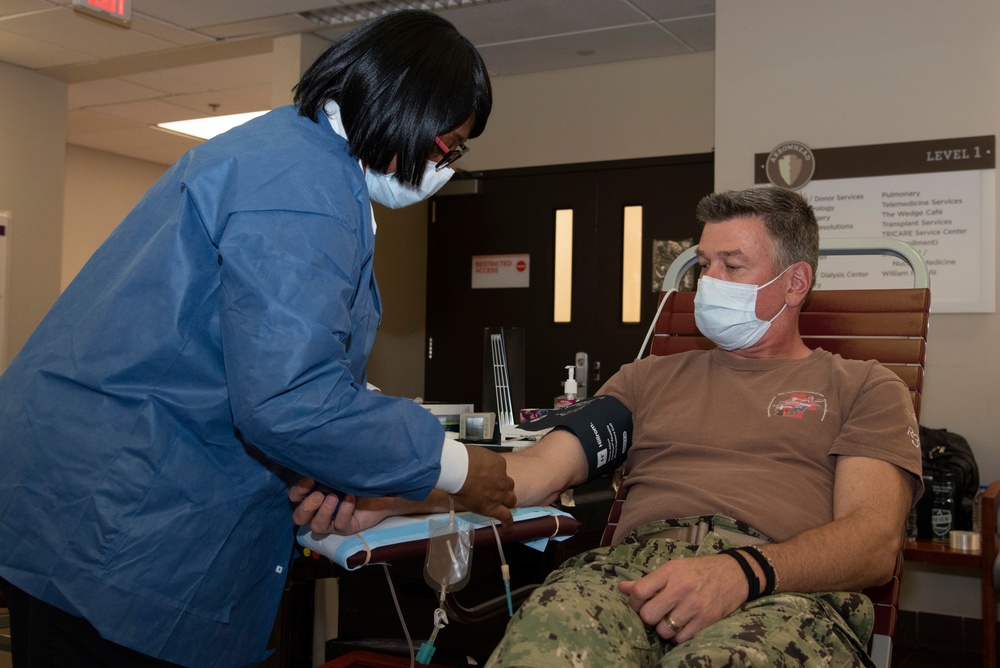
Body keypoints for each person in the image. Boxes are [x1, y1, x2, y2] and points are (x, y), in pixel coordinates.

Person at [0, 10, 516, 668]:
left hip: (88, 492)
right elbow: (291, 398)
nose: (447, 165)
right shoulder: (302, 189)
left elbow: (275, 349)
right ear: (401, 110)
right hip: (114, 517)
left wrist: (344, 449)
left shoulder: (285, 155)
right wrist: (460, 471)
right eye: (448, 146)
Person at [306, 186, 923, 667]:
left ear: (795, 283)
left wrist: (743, 571)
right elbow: (530, 475)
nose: (709, 282)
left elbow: (872, 543)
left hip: (779, 588)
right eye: (704, 264)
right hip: (630, 575)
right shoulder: (647, 379)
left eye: (733, 265)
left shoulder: (864, 388)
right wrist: (388, 497)